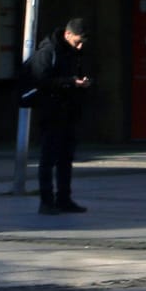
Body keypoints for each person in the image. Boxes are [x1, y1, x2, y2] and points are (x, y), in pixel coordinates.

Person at [30, 18, 91, 215]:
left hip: (69, 111)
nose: (80, 46)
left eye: (83, 42)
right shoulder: (49, 51)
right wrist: (69, 82)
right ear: (67, 34)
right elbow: (40, 79)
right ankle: (46, 201)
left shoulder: (75, 53)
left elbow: (77, 76)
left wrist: (83, 82)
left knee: (66, 157)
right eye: (77, 41)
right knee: (48, 158)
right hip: (51, 111)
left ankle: (64, 198)